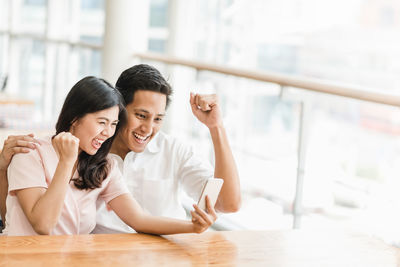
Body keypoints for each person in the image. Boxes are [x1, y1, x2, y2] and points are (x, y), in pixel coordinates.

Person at [0, 64, 240, 234]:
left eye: (113, 124)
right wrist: (64, 161)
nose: (147, 128)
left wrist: (193, 227)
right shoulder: (34, 151)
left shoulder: (104, 166)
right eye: (141, 115)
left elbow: (140, 219)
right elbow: (35, 223)